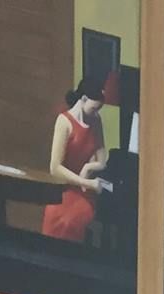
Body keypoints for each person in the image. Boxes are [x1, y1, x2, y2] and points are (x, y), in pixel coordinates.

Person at [42, 75, 114, 243]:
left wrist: (88, 169)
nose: (96, 113)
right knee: (57, 219)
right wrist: (85, 182)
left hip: (84, 194)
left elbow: (102, 159)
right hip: (63, 189)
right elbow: (55, 168)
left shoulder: (95, 120)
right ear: (83, 99)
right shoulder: (64, 122)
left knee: (74, 220)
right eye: (94, 108)